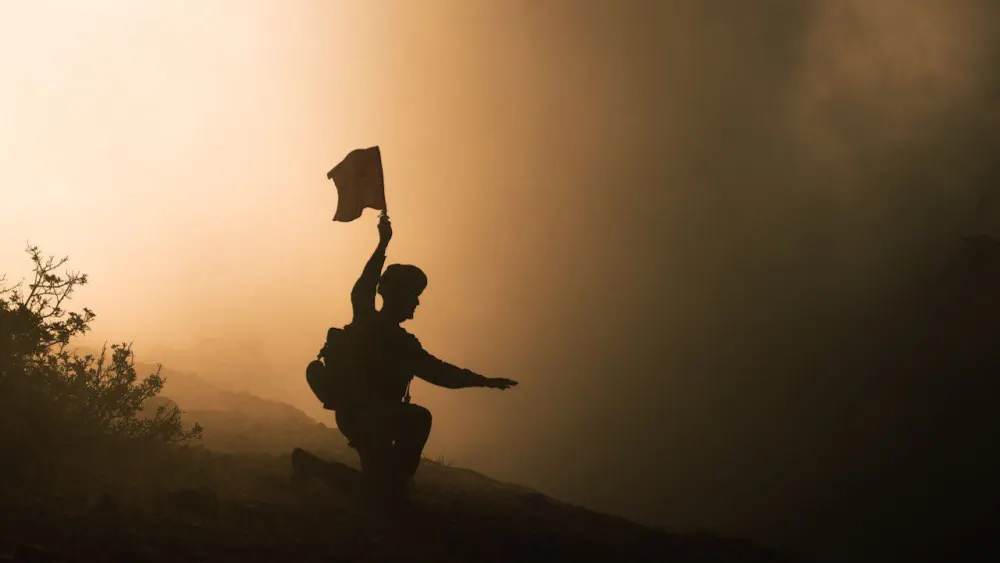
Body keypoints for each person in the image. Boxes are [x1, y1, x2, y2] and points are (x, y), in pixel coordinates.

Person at [334, 213, 518, 507]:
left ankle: (310, 467)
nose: (417, 302)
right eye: (412, 296)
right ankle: (390, 486)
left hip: (362, 416)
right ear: (399, 297)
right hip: (370, 418)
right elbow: (441, 374)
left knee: (378, 487)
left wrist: (484, 381)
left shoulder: (375, 325)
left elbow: (440, 372)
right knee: (417, 423)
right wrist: (382, 244)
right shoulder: (386, 334)